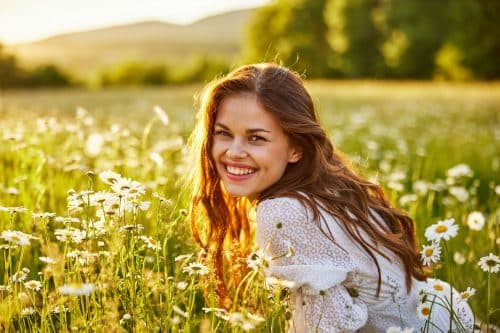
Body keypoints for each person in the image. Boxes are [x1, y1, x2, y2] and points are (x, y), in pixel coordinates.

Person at [188, 63, 474, 332]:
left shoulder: (284, 212)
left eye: (256, 138)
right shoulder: (327, 189)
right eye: (223, 133)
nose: (234, 152)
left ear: (295, 149)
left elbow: (324, 324)